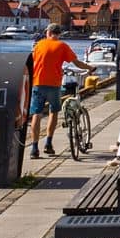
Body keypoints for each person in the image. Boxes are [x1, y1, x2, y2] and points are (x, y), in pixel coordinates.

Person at [28, 24, 80, 157]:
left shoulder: (38, 45)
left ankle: (34, 148)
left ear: (48, 32)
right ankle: (48, 143)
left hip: (38, 83)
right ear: (58, 34)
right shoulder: (62, 46)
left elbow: (32, 61)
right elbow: (76, 62)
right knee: (53, 113)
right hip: (54, 84)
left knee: (36, 115)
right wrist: (90, 68)